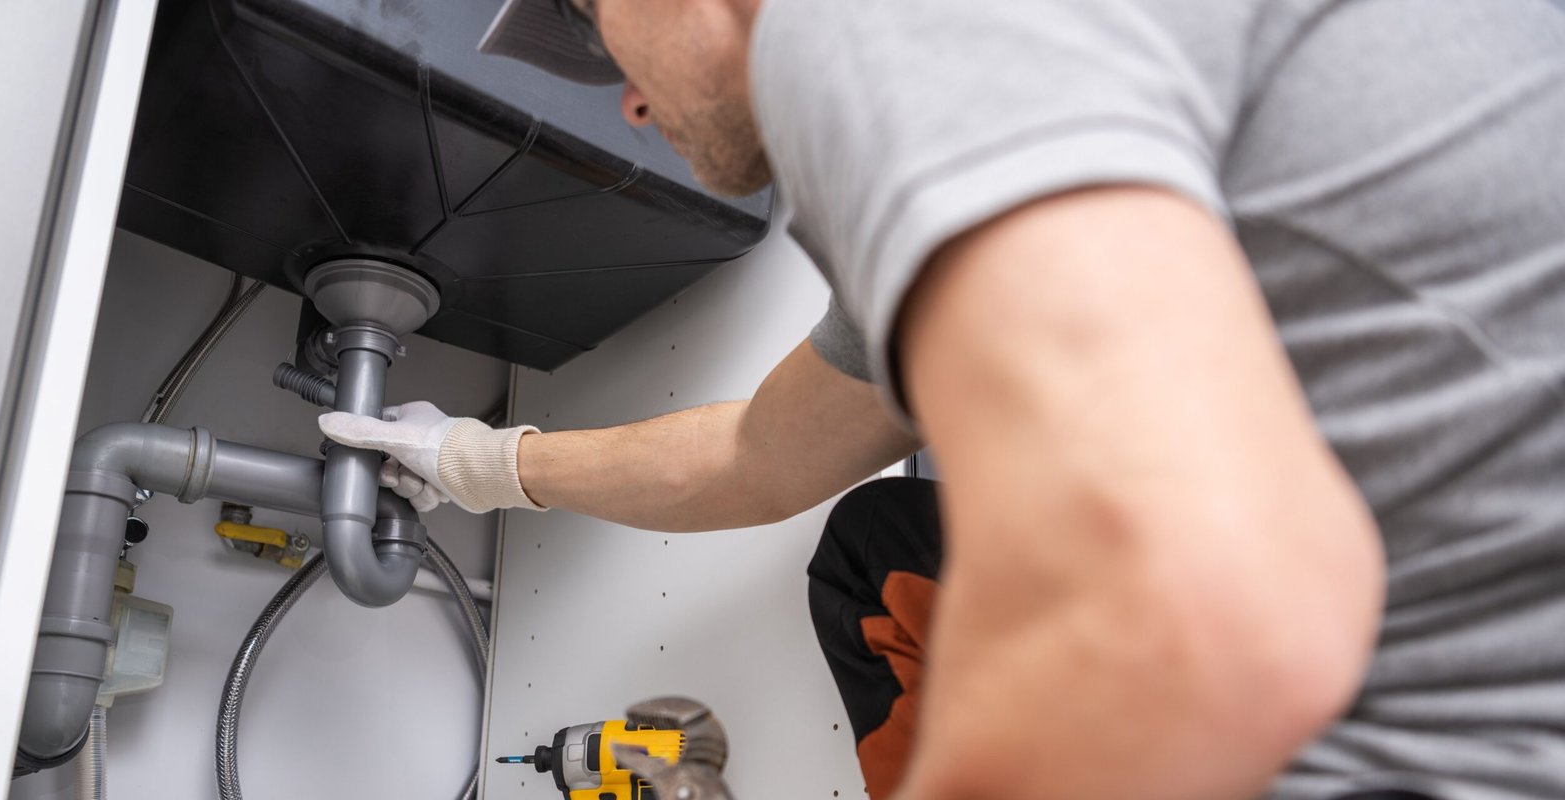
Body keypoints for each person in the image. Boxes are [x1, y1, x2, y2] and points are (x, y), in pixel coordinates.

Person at [317, 0, 1565, 797]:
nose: (627, 99)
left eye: (593, 24)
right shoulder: (1005, 115)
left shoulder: (869, 27)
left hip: (1450, 752)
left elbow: (1191, 605)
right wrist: (483, 460)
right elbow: (755, 455)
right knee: (871, 549)